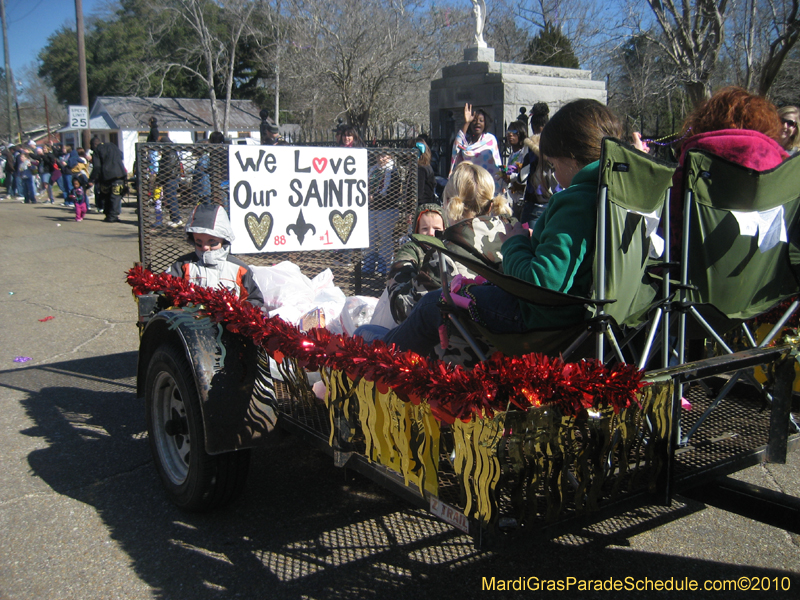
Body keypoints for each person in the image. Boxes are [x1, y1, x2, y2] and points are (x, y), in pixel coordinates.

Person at [374, 99, 625, 359]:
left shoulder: (575, 201)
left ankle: (374, 360)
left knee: (431, 304)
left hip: (540, 319)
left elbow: (541, 283)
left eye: (552, 165)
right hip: (590, 319)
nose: (551, 174)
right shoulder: (616, 196)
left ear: (570, 157)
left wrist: (516, 243)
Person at [385, 163, 513, 326]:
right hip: (510, 337)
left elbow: (402, 310)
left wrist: (402, 264)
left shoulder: (445, 256)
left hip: (463, 339)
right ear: (490, 206)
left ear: (447, 203)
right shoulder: (517, 239)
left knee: (366, 331)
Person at [668, 87, 788, 254]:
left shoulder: (689, 167)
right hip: (765, 265)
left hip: (694, 263)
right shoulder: (784, 172)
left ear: (707, 120)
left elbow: (670, 234)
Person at [167, 204, 263, 306]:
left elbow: (255, 300)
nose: (205, 247)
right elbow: (165, 291)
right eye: (199, 242)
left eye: (212, 242)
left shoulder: (239, 269)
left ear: (224, 239)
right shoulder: (182, 265)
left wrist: (238, 311)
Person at [519, 102, 558, 227]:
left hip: (534, 203)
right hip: (553, 203)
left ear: (533, 125)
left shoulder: (530, 146)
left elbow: (522, 177)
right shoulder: (556, 145)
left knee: (526, 236)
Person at [364, 151, 403, 276]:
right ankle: (368, 265)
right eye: (379, 156)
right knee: (370, 238)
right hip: (371, 208)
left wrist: (376, 198)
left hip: (387, 209)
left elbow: (394, 191)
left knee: (385, 238)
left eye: (384, 156)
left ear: (390, 157)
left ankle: (383, 267)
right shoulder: (372, 170)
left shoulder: (393, 171)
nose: (381, 159)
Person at [450, 103, 502, 193]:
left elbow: (497, 165)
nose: (477, 123)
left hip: (486, 187)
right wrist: (466, 122)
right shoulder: (466, 141)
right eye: (474, 120)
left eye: (481, 120)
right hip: (468, 187)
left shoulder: (490, 139)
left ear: (485, 124)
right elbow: (457, 146)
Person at [89, 137, 127, 223]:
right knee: (116, 196)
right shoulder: (112, 146)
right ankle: (114, 215)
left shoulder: (97, 151)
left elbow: (97, 167)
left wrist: (91, 179)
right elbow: (121, 155)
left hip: (106, 176)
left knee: (106, 195)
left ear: (94, 145)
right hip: (119, 174)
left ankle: (110, 215)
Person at [154, 136, 183, 227]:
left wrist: (160, 179)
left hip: (170, 178)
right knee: (170, 198)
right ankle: (175, 218)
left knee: (171, 198)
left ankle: (176, 219)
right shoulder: (170, 151)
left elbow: (167, 167)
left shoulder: (170, 152)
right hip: (170, 177)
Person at [502, 120, 529, 213]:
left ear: (521, 134)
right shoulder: (512, 155)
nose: (510, 134)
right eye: (508, 131)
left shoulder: (525, 153)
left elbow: (526, 175)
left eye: (514, 132)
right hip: (515, 200)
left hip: (524, 200)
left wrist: (511, 177)